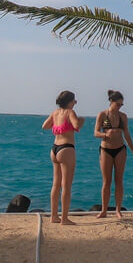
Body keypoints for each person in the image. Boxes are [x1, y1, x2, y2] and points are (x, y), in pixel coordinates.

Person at [94, 89, 133, 218]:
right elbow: (96, 132)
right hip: (105, 149)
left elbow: (127, 135)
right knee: (106, 181)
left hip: (120, 149)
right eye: (117, 104)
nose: (119, 107)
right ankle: (104, 210)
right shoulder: (102, 115)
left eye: (121, 105)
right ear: (111, 102)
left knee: (119, 180)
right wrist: (105, 134)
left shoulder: (123, 117)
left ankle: (118, 210)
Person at [42, 90, 84, 224]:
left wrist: (59, 126)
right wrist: (81, 121)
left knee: (56, 184)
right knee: (66, 186)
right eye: (74, 101)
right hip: (66, 148)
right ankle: (64, 218)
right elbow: (76, 125)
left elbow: (45, 126)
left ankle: (54, 215)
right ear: (70, 102)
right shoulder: (70, 113)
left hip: (54, 149)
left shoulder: (55, 112)